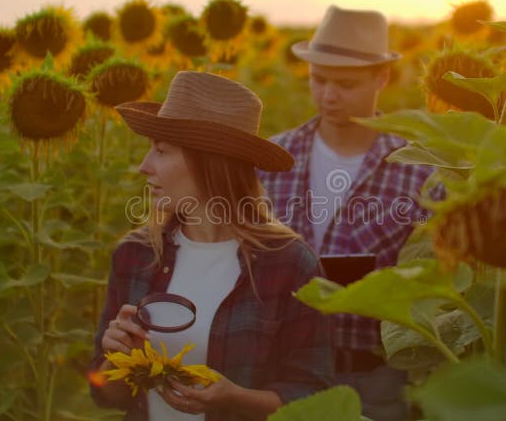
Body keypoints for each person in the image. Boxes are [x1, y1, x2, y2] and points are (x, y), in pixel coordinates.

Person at [90, 71, 333, 421]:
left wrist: (237, 399)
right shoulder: (136, 254)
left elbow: (316, 396)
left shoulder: (288, 264)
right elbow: (105, 394)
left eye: (161, 151)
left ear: (209, 163)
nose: (145, 167)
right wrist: (115, 358)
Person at [258, 5, 440, 421]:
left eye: (345, 83)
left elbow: (435, 275)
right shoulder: (273, 160)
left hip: (375, 379)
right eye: (318, 80)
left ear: (382, 78)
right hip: (281, 373)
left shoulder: (417, 170)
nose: (329, 95)